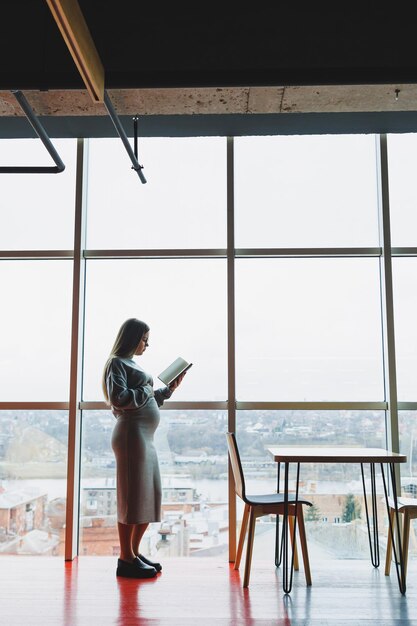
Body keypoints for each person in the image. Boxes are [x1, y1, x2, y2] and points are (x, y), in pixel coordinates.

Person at [102, 317, 186, 579]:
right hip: (130, 436)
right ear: (131, 338)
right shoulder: (116, 363)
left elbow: (143, 399)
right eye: (144, 340)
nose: (147, 345)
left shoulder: (131, 364)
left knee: (148, 495)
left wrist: (165, 391)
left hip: (143, 437)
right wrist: (149, 393)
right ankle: (125, 558)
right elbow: (120, 398)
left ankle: (134, 554)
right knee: (131, 498)